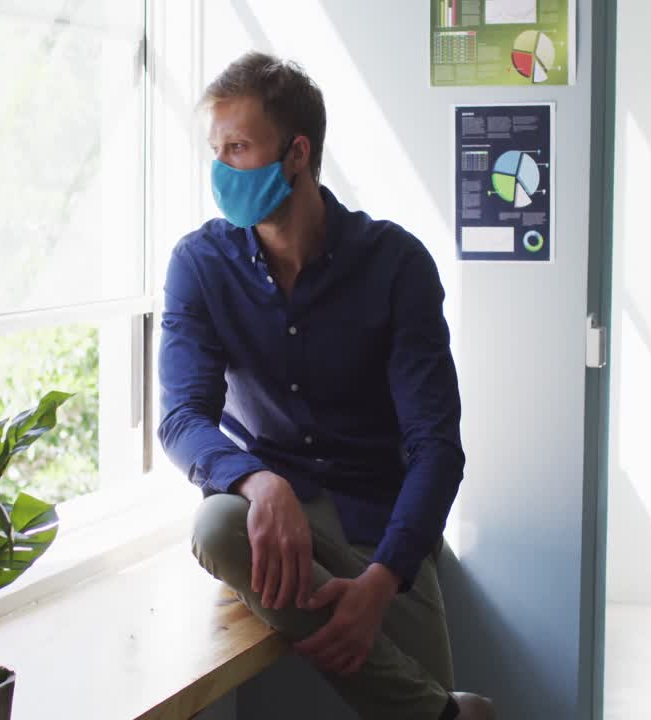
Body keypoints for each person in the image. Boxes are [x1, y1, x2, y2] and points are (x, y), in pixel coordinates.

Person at [157, 51, 494, 720]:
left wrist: (381, 579)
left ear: (296, 153)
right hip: (275, 513)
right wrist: (259, 481)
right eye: (214, 150)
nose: (220, 169)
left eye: (238, 147)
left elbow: (436, 447)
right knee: (219, 522)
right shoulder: (200, 264)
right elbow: (182, 417)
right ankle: (447, 715)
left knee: (404, 689)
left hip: (379, 511)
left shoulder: (395, 265)